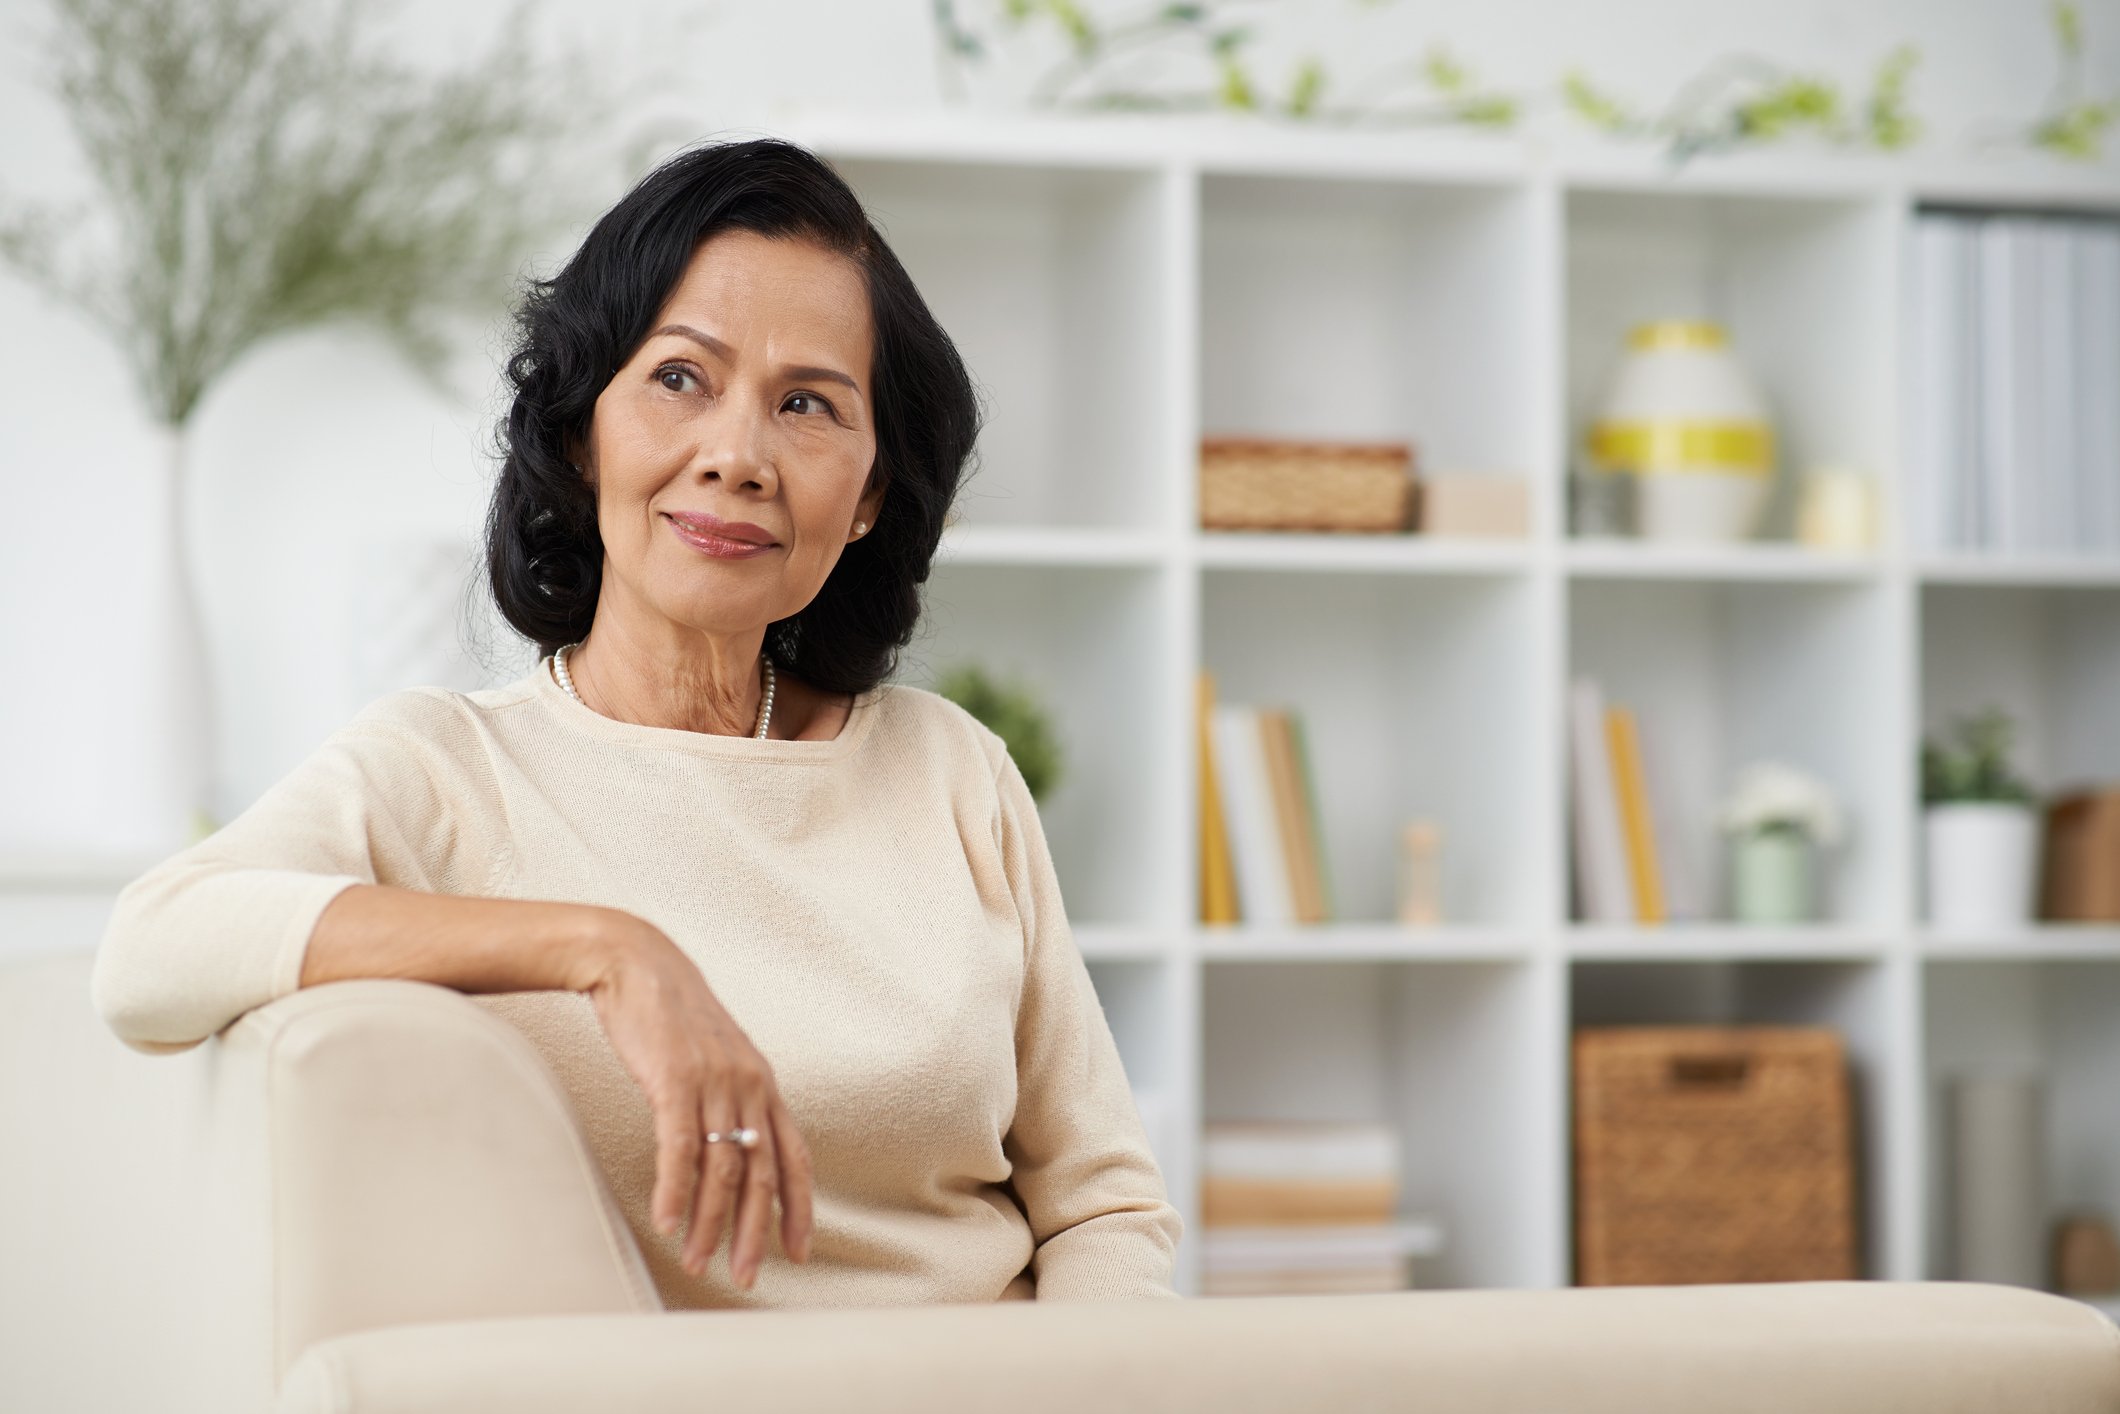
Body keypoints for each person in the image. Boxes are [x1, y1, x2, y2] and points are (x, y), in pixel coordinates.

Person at [91, 136, 1182, 1310]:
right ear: (581, 429)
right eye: (679, 378)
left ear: (867, 498)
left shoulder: (951, 770)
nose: (737, 456)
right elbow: (155, 949)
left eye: (806, 404)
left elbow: (1103, 1204)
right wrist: (609, 951)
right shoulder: (446, 771)